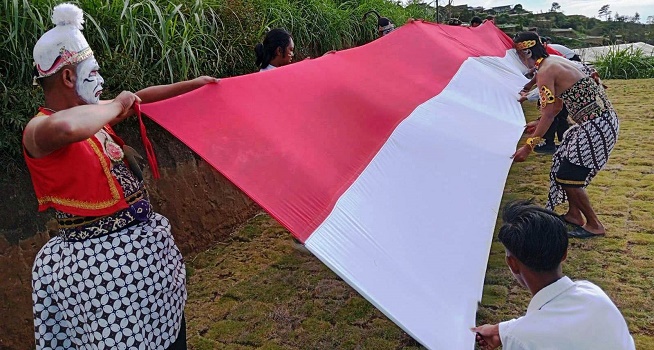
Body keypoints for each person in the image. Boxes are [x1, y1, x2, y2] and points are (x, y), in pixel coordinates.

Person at [25, 4, 218, 349]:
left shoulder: (95, 114)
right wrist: (116, 105)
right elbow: (71, 127)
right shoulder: (39, 130)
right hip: (100, 275)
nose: (100, 81)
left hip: (141, 259)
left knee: (171, 337)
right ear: (68, 77)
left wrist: (194, 84)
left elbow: (139, 99)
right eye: (93, 71)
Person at [472, 200, 635, 350]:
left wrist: (511, 334)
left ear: (512, 264)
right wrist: (503, 331)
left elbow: (540, 330)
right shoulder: (593, 293)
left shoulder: (524, 340)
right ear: (564, 253)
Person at [511, 32, 619, 238]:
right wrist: (537, 122)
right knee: (563, 164)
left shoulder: (545, 72)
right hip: (598, 122)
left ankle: (595, 225)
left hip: (597, 125)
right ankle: (574, 215)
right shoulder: (554, 61)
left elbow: (550, 112)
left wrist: (528, 146)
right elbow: (557, 104)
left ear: (526, 51)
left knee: (569, 176)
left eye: (518, 55)